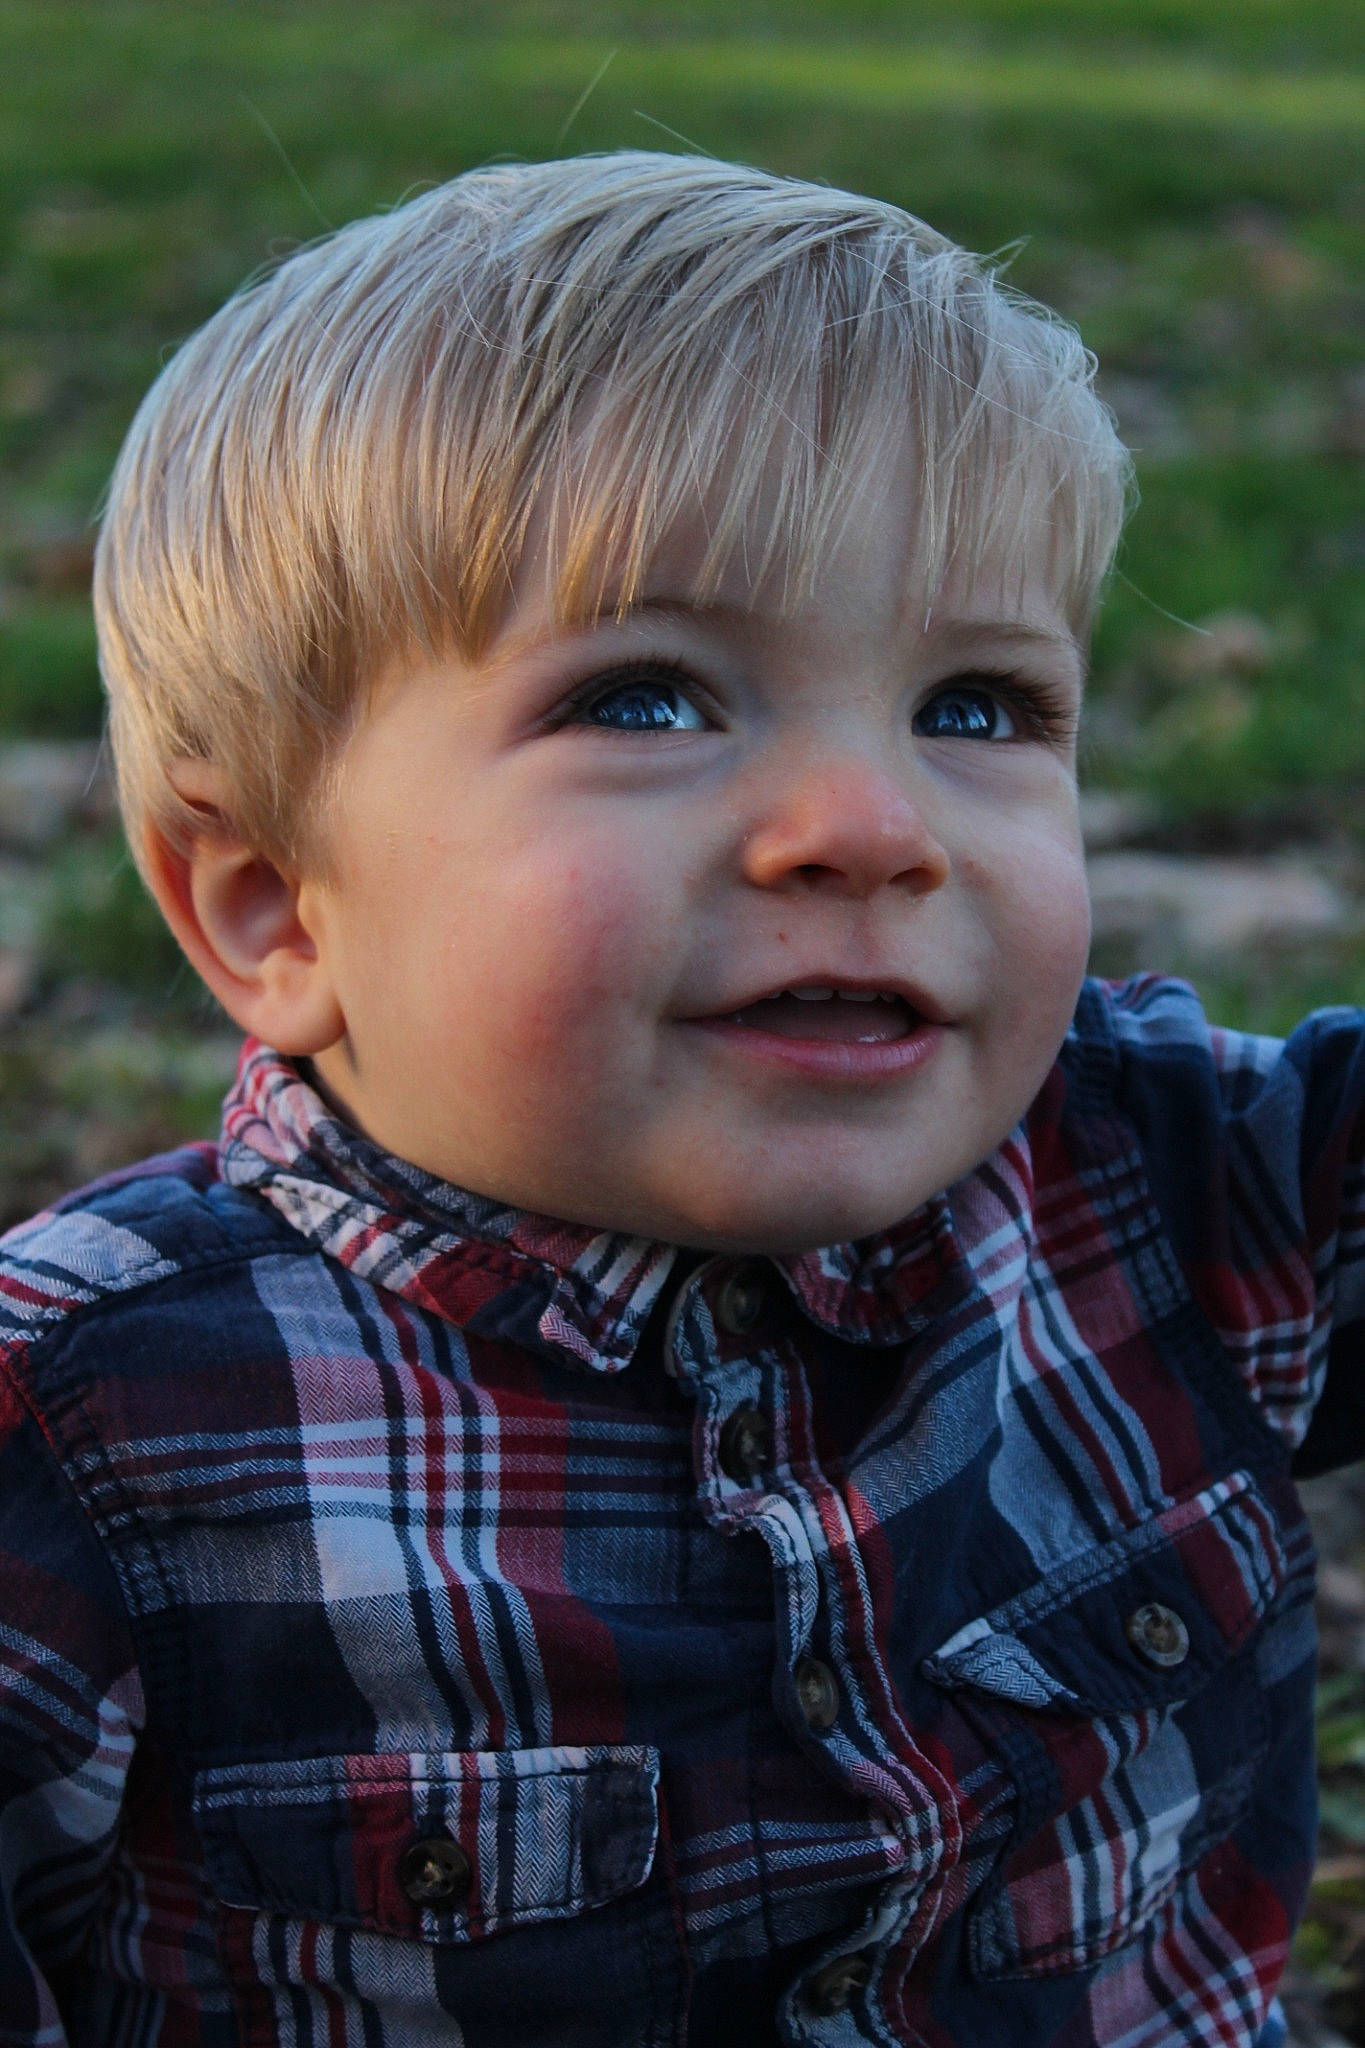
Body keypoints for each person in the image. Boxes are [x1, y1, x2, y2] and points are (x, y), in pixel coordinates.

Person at [0, 150, 1356, 2048]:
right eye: (648, 699)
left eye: (974, 707)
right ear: (272, 903)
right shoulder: (87, 1420)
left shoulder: (1174, 1176)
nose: (869, 830)